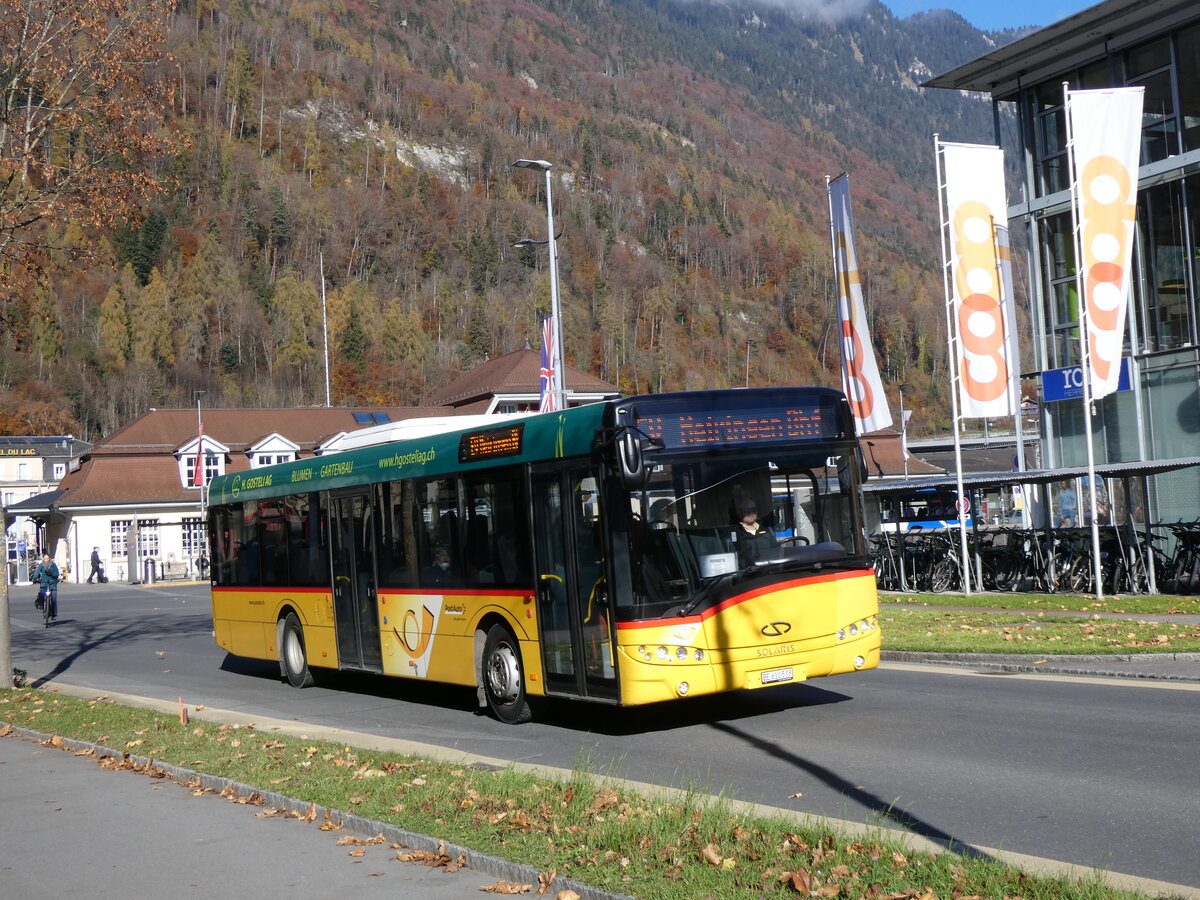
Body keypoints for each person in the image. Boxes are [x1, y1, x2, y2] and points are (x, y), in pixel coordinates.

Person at [734, 502, 776, 567]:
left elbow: (777, 552)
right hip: (747, 574)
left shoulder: (767, 531)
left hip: (769, 572)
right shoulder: (735, 534)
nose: (750, 513)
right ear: (740, 513)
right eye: (746, 511)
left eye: (753, 510)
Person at [33, 553, 60, 620]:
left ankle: (53, 614)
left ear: (49, 558)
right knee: (42, 594)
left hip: (52, 583)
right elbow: (37, 572)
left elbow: (57, 574)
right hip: (44, 583)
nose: (46, 560)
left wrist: (52, 573)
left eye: (47, 558)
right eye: (45, 558)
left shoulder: (53, 565)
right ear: (43, 559)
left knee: (53, 599)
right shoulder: (41, 565)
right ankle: (41, 605)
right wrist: (35, 577)